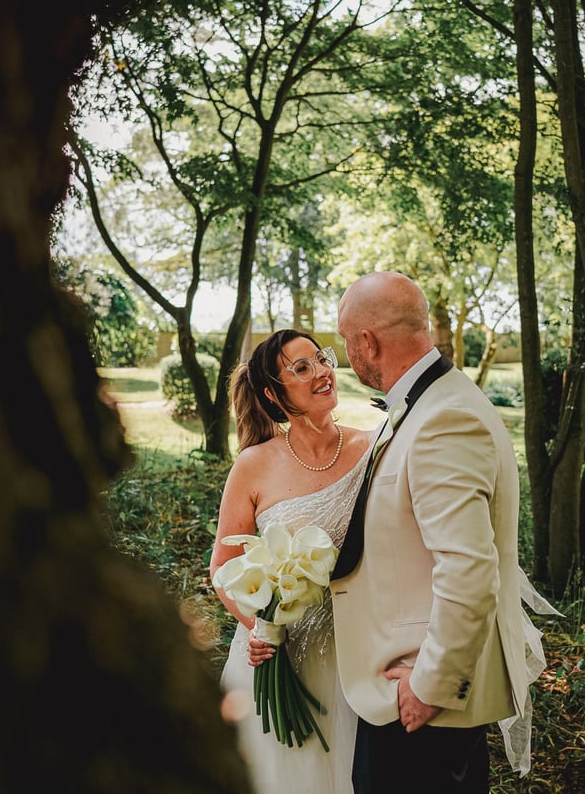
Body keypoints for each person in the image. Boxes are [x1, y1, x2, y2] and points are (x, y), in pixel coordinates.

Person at [332, 271, 554, 793]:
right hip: (403, 689)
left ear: (367, 341)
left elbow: (469, 571)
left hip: (420, 701)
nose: (347, 354)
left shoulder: (444, 418)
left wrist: (430, 685)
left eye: (345, 341)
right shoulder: (426, 403)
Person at [210, 329, 374, 794]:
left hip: (354, 649)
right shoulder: (254, 465)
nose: (323, 372)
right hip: (277, 657)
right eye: (302, 368)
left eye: (321, 359)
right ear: (272, 392)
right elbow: (222, 566)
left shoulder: (372, 449)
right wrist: (259, 630)